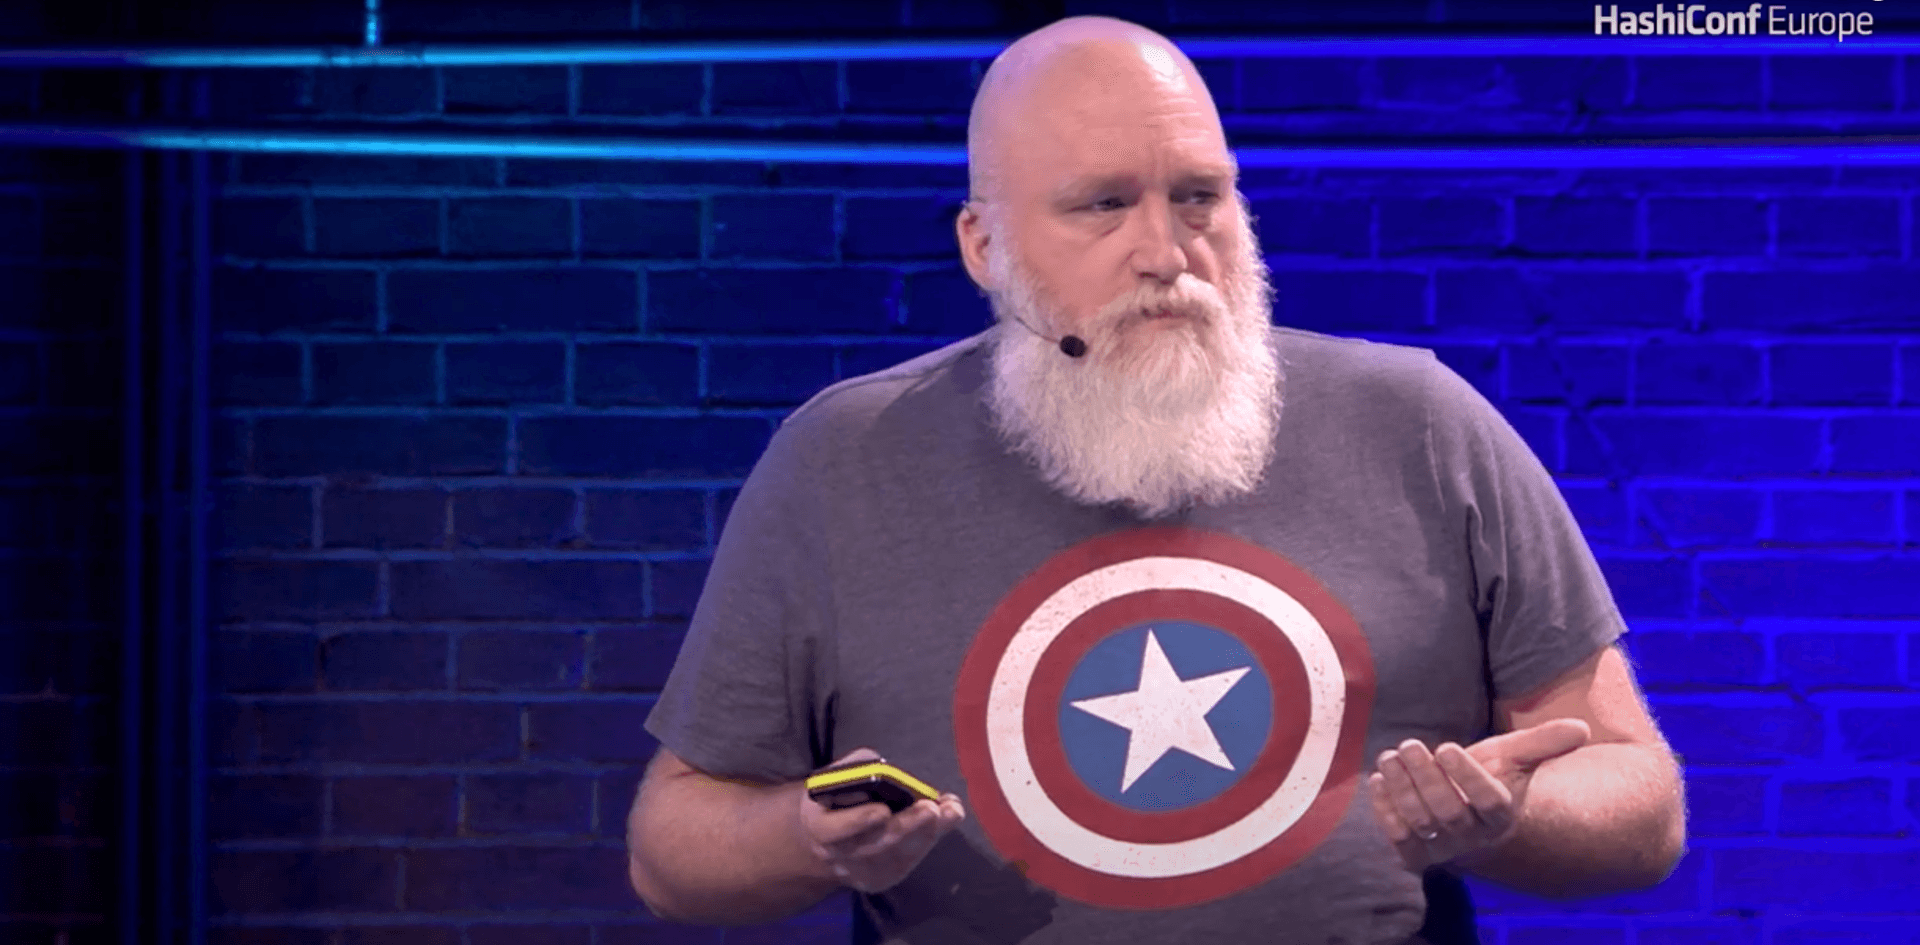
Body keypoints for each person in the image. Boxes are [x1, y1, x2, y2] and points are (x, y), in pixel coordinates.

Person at [625, 15, 1686, 944]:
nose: (1167, 253)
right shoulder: (844, 457)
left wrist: (1505, 819)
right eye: (1102, 205)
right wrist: (807, 838)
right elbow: (670, 851)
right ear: (984, 246)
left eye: (1198, 197)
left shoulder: (1419, 422)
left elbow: (1642, 803)